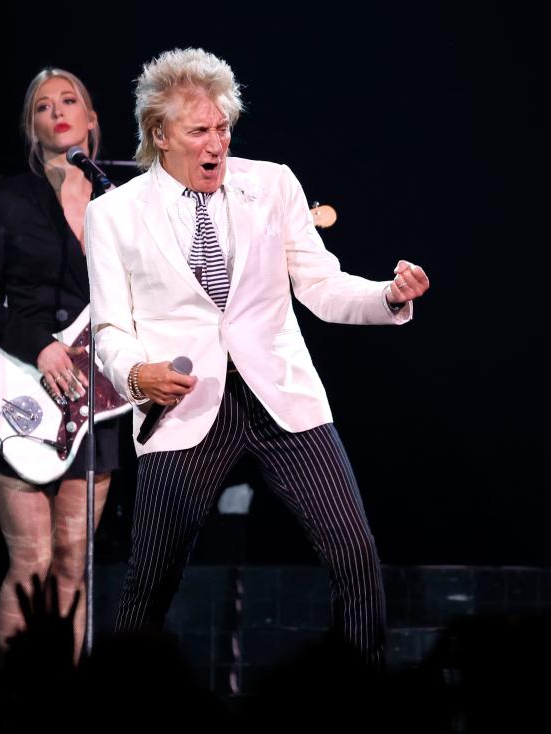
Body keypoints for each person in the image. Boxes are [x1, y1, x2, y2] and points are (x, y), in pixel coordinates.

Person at [84, 48, 430, 666]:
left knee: (354, 556)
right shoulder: (113, 214)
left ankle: (368, 707)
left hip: (282, 399)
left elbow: (321, 287)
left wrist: (386, 295)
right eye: (199, 131)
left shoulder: (272, 184)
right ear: (160, 134)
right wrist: (137, 375)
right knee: (149, 584)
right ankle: (120, 710)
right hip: (184, 407)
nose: (215, 143)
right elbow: (110, 327)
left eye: (223, 128)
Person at [0, 68, 118, 659]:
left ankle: (66, 706)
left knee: (74, 565)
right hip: (23, 384)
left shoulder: (119, 203)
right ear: (32, 127)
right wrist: (42, 345)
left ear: (92, 118)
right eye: (43, 106)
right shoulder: (7, 197)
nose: (57, 110)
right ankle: (15, 705)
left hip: (96, 398)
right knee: (32, 560)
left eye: (70, 100)